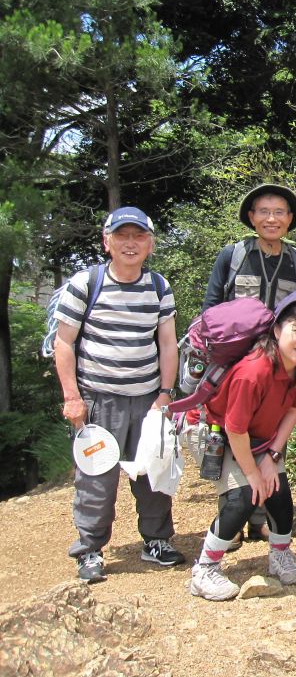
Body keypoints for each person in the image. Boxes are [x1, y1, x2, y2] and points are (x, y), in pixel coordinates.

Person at [54, 207, 183, 583]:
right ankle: (90, 548)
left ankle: (156, 540)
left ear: (150, 244)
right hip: (98, 400)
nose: (130, 244)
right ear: (106, 241)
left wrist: (165, 392)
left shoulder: (159, 286)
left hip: (147, 399)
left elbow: (168, 344)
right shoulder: (85, 282)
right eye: (122, 236)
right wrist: (72, 397)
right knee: (96, 477)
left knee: (154, 473)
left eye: (139, 236)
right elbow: (64, 342)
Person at [188, 292, 296, 601]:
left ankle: (280, 555)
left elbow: (293, 409)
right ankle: (205, 569)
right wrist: (253, 472)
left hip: (261, 438)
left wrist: (272, 457)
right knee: (245, 496)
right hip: (219, 433)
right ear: (277, 330)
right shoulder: (253, 372)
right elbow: (234, 428)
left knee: (278, 491)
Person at [202, 183, 296, 544]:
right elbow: (211, 306)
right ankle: (229, 516)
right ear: (251, 217)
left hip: (280, 366)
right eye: (263, 211)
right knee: (229, 430)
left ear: (290, 219)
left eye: (279, 212)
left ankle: (259, 517)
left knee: (266, 431)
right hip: (236, 363)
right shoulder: (232, 255)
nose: (271, 219)